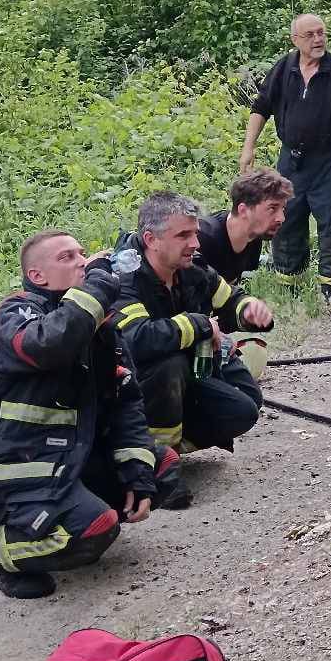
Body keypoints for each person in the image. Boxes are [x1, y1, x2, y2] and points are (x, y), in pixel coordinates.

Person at [0, 232, 168, 600]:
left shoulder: (98, 329)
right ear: (38, 276)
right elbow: (49, 344)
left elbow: (125, 404)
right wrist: (98, 289)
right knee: (97, 527)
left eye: (83, 254)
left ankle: (71, 512)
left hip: (63, 460)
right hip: (12, 473)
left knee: (160, 467)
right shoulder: (15, 314)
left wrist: (136, 472)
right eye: (68, 257)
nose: (83, 262)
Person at [114, 193, 270, 508]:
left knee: (246, 406)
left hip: (185, 374)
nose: (195, 242)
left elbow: (227, 299)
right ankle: (154, 467)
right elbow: (137, 340)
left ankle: (161, 445)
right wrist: (200, 325)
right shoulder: (124, 278)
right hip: (129, 389)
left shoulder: (189, 267)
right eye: (183, 235)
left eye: (195, 232)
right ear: (151, 240)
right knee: (166, 364)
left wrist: (249, 309)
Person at [240, 13, 331, 307]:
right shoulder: (284, 69)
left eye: (321, 33)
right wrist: (249, 147)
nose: (318, 39)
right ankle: (290, 283)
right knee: (285, 220)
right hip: (292, 160)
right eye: (310, 35)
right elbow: (261, 107)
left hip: (330, 160)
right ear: (295, 40)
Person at [197, 167, 295, 285]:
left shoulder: (254, 236)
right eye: (272, 208)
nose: (281, 218)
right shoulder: (203, 239)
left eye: (282, 208)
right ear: (243, 210)